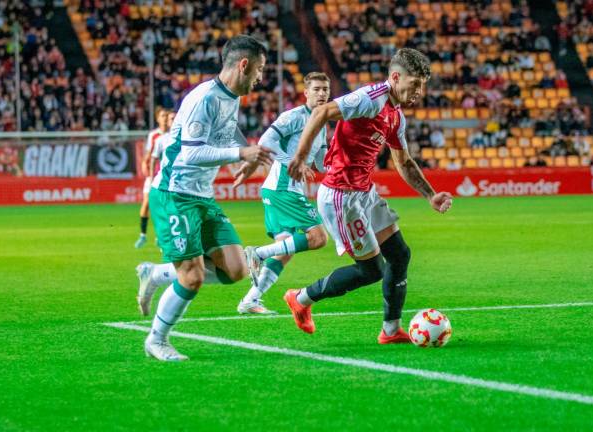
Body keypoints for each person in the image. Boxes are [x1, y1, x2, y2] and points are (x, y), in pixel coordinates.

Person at [285, 48, 453, 344]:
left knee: (400, 255)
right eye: (415, 84)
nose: (419, 92)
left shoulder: (396, 115)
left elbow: (403, 161)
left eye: (422, 86)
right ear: (396, 77)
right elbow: (322, 112)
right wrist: (300, 157)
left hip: (364, 191)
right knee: (371, 270)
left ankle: (391, 331)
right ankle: (301, 298)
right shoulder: (370, 99)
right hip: (341, 195)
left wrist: (430, 195)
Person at [138, 35, 273, 361]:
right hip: (174, 194)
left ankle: (155, 274)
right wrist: (239, 152)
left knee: (236, 270)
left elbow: (228, 133)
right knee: (194, 276)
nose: (259, 77)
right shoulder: (205, 99)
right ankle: (156, 339)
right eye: (259, 70)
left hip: (202, 195)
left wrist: (245, 156)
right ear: (244, 65)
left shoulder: (231, 97)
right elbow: (192, 153)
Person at [235, 72, 332, 315]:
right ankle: (257, 252)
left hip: (281, 188)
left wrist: (338, 165)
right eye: (317, 89)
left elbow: (321, 161)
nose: (322, 94)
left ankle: (250, 300)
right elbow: (267, 140)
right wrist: (294, 162)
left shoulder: (322, 123)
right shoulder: (294, 116)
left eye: (325, 90)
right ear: (306, 93)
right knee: (319, 238)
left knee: (285, 252)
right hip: (282, 187)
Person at [135, 108, 174, 248]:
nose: (164, 118)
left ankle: (161, 236)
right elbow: (148, 154)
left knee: (164, 206)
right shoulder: (154, 135)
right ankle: (143, 235)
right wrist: (145, 165)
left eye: (166, 116)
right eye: (162, 116)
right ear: (158, 119)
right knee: (146, 203)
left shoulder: (174, 135)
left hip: (167, 177)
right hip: (154, 175)